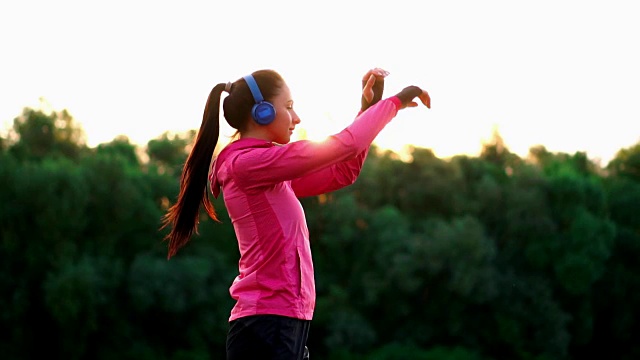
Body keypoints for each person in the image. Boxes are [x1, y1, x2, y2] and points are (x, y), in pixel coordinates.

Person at [160, 68, 430, 360]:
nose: (296, 117)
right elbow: (347, 144)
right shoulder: (247, 165)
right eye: (288, 107)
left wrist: (366, 109)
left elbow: (342, 171)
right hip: (267, 324)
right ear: (261, 112)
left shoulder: (267, 171)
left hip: (282, 321)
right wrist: (394, 103)